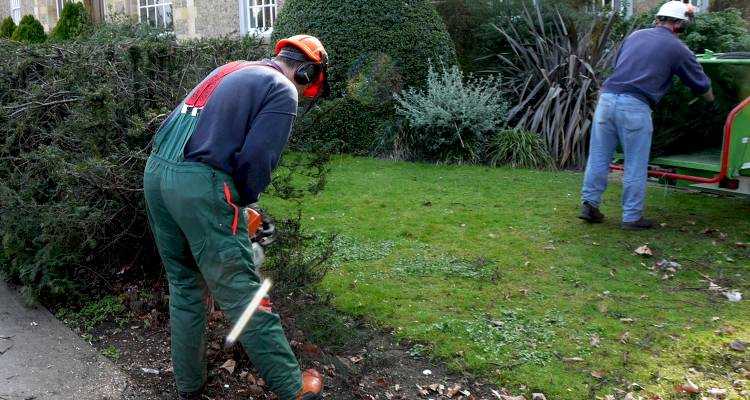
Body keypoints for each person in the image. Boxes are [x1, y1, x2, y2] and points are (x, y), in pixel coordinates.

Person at [143, 35, 329, 400]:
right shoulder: (282, 88)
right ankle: (295, 389)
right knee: (243, 292)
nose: (303, 93)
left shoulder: (229, 69)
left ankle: (189, 387)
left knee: (184, 285)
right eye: (309, 86)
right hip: (200, 185)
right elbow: (257, 160)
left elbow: (175, 126)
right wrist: (243, 203)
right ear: (307, 72)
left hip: (156, 174)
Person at [579, 0, 714, 231]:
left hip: (607, 99)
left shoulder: (635, 36)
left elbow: (619, 64)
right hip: (635, 106)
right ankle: (632, 217)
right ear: (679, 25)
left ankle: (589, 205)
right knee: (635, 163)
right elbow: (701, 85)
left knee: (599, 157)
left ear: (658, 18)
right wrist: (712, 103)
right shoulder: (678, 48)